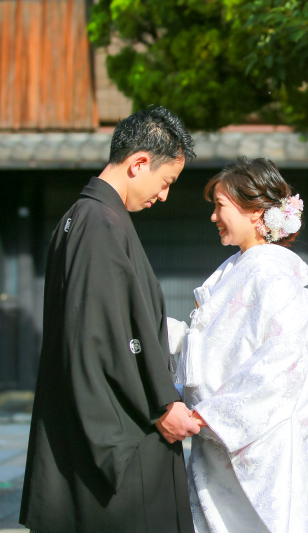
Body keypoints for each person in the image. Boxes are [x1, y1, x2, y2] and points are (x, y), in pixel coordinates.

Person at [19, 106, 201, 533]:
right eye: (166, 182)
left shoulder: (79, 218)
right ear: (139, 163)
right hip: (118, 433)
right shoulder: (99, 224)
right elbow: (100, 338)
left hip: (86, 417)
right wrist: (161, 406)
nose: (163, 196)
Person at [171, 157, 308, 533]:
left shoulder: (272, 274)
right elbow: (208, 346)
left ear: (256, 212)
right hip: (221, 441)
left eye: (220, 206)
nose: (214, 217)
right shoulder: (239, 269)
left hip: (258, 445)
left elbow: (279, 366)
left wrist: (206, 417)